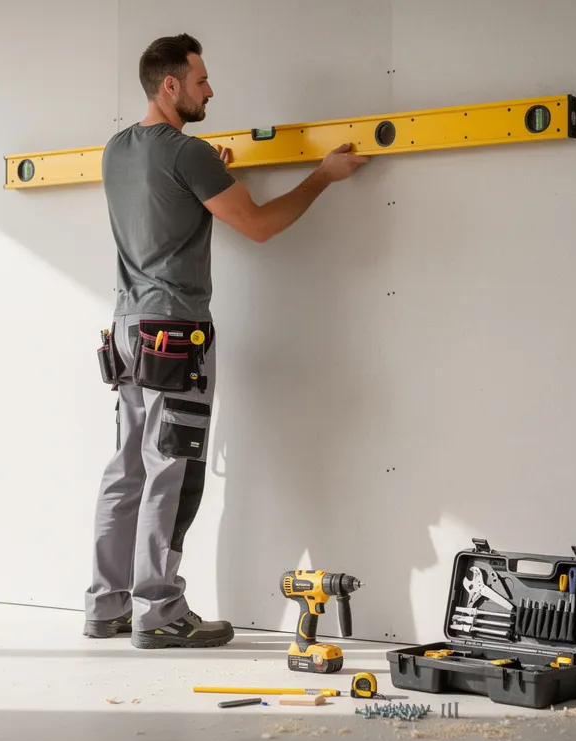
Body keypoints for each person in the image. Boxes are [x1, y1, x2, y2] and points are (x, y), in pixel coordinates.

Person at [83, 33, 369, 648]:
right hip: (175, 332)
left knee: (126, 468)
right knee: (171, 471)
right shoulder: (187, 154)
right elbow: (261, 226)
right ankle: (158, 612)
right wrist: (323, 176)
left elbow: (164, 201)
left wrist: (209, 169)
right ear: (170, 85)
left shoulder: (117, 149)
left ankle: (106, 606)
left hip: (129, 329)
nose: (210, 89)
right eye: (202, 79)